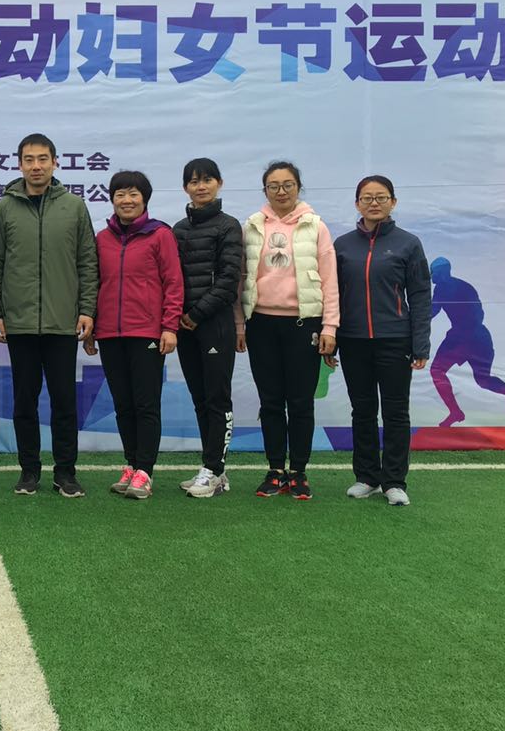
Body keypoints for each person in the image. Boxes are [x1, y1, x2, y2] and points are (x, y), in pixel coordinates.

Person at [0, 132, 98, 498]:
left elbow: (87, 262)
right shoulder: (5, 208)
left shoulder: (74, 207)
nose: (36, 166)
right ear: (20, 164)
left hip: (62, 322)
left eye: (42, 159)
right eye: (29, 160)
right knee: (24, 402)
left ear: (54, 162)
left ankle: (65, 472)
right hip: (18, 322)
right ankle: (29, 471)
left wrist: (86, 309)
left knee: (64, 401)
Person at [241, 160, 339, 501]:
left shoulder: (315, 226)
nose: (281, 191)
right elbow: (242, 279)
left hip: (303, 324)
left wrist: (330, 326)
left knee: (300, 402)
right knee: (270, 402)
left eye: (288, 185)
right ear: (265, 190)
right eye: (274, 186)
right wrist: (240, 324)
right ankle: (274, 470)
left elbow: (330, 280)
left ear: (298, 187)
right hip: (261, 325)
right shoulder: (252, 226)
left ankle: (298, 471)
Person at [333, 176, 431, 507]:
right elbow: (332, 296)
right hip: (353, 340)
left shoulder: (409, 244)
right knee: (362, 410)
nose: (374, 203)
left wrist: (420, 344)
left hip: (395, 340)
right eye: (367, 198)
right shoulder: (342, 245)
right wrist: (331, 339)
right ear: (357, 203)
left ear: (393, 202)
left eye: (381, 197)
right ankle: (367, 477)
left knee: (395, 412)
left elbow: (420, 295)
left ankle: (394, 481)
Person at [84, 170, 183, 501]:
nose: (126, 200)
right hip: (110, 333)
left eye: (133, 194)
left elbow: (173, 283)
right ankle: (130, 465)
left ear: (144, 199)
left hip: (147, 333)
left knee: (145, 403)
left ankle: (145, 471)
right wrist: (92, 328)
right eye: (120, 194)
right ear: (112, 199)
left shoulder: (160, 235)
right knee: (123, 405)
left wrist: (169, 326)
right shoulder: (102, 239)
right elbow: (94, 284)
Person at [170, 157, 244, 500]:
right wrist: (180, 316)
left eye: (207, 180)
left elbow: (229, 281)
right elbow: (171, 279)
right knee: (200, 398)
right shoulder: (177, 230)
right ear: (186, 187)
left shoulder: (229, 226)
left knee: (217, 398)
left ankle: (214, 469)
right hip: (185, 326)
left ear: (219, 183)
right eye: (194, 181)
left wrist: (197, 313)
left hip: (214, 323)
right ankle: (214, 469)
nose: (200, 186)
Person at [429, 257, 505, 427]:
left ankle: (457, 411)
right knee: (479, 380)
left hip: (469, 338)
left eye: (433, 272)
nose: (431, 276)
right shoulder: (449, 288)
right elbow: (433, 311)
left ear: (442, 272)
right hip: (474, 338)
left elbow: (433, 312)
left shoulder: (450, 288)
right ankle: (457, 411)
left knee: (443, 372)